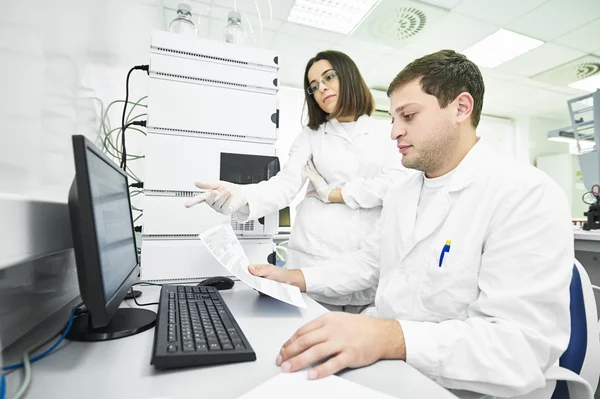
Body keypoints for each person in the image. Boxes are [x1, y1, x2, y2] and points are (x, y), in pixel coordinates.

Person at [248, 50, 577, 399]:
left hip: (466, 386)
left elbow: (519, 349)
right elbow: (369, 263)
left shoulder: (526, 194)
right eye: (392, 118)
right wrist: (293, 277)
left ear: (461, 108)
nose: (393, 132)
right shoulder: (403, 192)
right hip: (394, 368)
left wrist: (388, 337)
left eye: (408, 116)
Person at [186, 50, 407, 312]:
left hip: (368, 272)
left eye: (328, 77)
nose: (321, 88)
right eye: (314, 86)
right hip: (313, 263)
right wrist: (243, 196)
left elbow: (394, 184)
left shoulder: (384, 131)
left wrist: (334, 194)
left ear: (348, 76)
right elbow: (285, 185)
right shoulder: (312, 136)